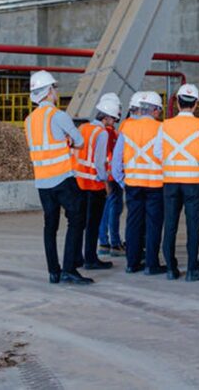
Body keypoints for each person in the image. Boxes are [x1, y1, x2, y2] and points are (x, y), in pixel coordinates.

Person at [23, 70, 91, 285]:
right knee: (77, 219)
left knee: (50, 225)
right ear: (49, 91)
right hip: (62, 177)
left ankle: (54, 271)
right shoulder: (58, 115)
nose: (56, 92)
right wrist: (68, 141)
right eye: (54, 88)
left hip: (42, 181)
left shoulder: (29, 120)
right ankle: (70, 269)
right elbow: (79, 141)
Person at [112, 91, 166, 275]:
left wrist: (122, 181)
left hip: (133, 183)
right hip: (156, 184)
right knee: (154, 224)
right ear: (155, 110)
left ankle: (132, 263)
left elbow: (116, 161)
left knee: (133, 222)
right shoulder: (161, 128)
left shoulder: (126, 128)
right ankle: (152, 264)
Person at [159, 84, 199, 282]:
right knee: (192, 225)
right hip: (193, 182)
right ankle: (192, 269)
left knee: (170, 224)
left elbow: (157, 152)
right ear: (196, 103)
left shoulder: (165, 125)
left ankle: (171, 269)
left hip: (170, 181)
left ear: (177, 102)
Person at [72, 92, 121, 271]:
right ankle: (91, 259)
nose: (114, 122)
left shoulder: (83, 128)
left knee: (80, 223)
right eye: (113, 119)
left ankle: (77, 256)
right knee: (93, 224)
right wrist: (106, 182)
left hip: (78, 183)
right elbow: (100, 163)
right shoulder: (101, 134)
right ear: (106, 117)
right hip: (94, 185)